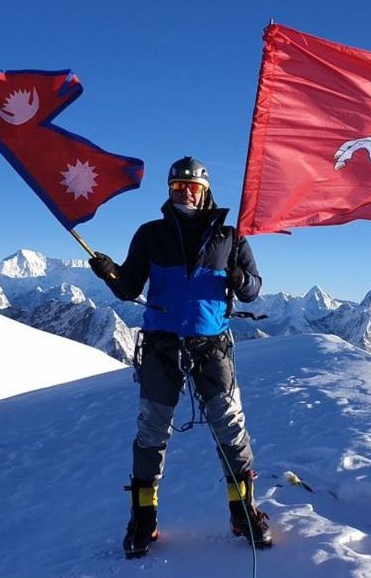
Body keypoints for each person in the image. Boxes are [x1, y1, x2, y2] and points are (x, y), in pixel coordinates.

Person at [88, 156, 270, 559]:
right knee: (152, 432)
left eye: (193, 186)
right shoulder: (150, 234)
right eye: (178, 186)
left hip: (211, 346)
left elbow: (253, 289)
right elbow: (129, 286)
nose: (186, 192)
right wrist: (110, 272)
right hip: (162, 346)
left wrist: (240, 278)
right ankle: (143, 519)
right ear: (169, 190)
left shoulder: (230, 236)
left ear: (205, 191)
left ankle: (243, 511)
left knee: (230, 429)